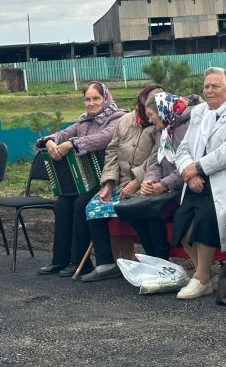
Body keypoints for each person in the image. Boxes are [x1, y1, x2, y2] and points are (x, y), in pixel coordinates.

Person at [174, 67, 226, 299]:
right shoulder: (199, 112)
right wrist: (190, 173)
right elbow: (184, 148)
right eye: (206, 86)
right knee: (181, 221)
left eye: (215, 86)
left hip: (223, 180)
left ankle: (200, 277)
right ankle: (205, 274)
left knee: (206, 218)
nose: (209, 90)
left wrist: (198, 168)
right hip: (196, 179)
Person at [36, 82, 127, 276]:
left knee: (80, 203)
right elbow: (63, 133)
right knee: (61, 204)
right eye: (87, 99)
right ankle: (59, 260)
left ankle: (80, 262)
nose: (91, 103)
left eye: (96, 98)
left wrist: (71, 144)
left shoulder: (118, 117)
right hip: (85, 180)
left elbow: (104, 138)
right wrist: (51, 141)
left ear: (106, 98)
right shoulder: (83, 121)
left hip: (108, 180)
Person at [80, 84, 162, 281]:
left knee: (135, 209)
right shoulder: (126, 121)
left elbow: (158, 156)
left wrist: (136, 181)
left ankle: (154, 264)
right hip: (119, 183)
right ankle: (106, 263)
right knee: (94, 207)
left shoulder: (159, 123)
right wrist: (108, 183)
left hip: (146, 183)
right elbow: (112, 151)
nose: (143, 112)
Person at [124, 91, 203, 260]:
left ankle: (161, 261)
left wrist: (164, 184)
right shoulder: (164, 128)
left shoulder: (185, 127)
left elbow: (188, 164)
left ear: (162, 111)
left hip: (183, 189)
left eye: (151, 115)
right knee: (134, 212)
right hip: (165, 189)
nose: (150, 120)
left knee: (154, 214)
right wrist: (149, 180)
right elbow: (155, 159)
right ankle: (153, 260)